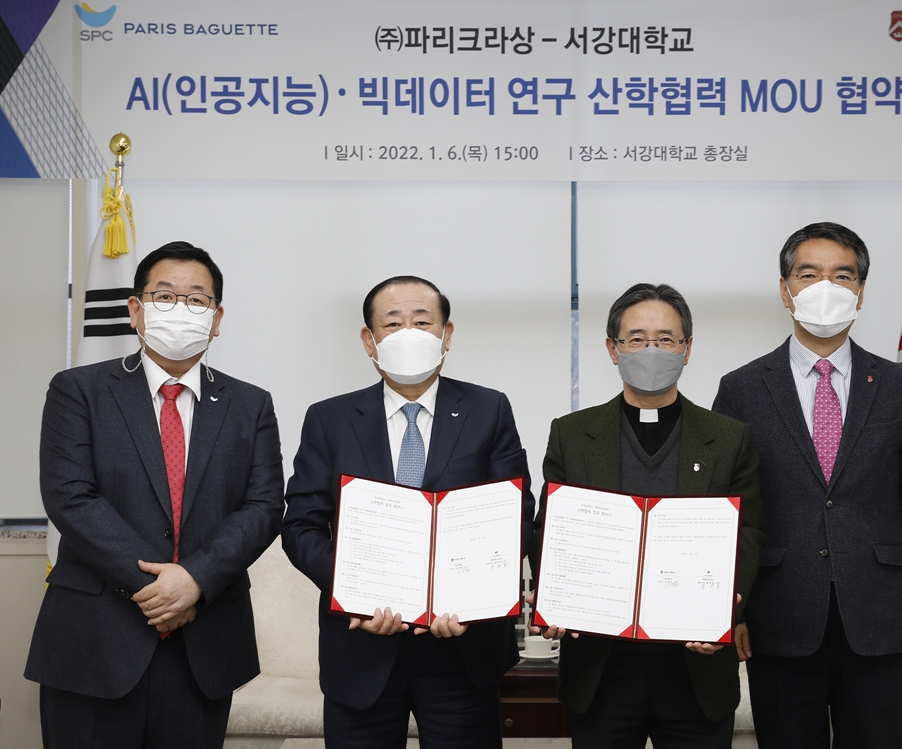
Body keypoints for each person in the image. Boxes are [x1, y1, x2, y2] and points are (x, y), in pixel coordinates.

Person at [25, 241, 285, 749]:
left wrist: (195, 580)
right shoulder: (78, 390)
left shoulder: (250, 404)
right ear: (135, 310)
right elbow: (70, 497)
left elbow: (263, 506)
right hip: (94, 637)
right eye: (164, 296)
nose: (180, 309)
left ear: (216, 319)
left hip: (203, 643)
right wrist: (163, 589)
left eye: (196, 300)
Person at [712, 222, 902, 749]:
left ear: (860, 292)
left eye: (842, 276)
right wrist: (732, 612)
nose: (826, 287)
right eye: (809, 274)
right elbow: (727, 514)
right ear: (785, 290)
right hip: (777, 617)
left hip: (881, 618)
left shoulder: (900, 386)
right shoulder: (742, 389)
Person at [282, 275, 534, 749]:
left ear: (447, 334)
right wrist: (354, 592)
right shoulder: (329, 419)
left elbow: (516, 515)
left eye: (422, 322)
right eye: (393, 324)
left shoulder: (489, 409)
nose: (409, 334)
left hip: (463, 647)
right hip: (361, 647)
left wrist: (472, 597)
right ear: (369, 340)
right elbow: (301, 526)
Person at [532, 283, 763, 749]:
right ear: (613, 349)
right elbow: (549, 531)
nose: (651, 351)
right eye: (636, 339)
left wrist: (725, 609)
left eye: (666, 339)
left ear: (687, 349)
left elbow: (750, 533)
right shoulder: (572, 434)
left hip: (696, 668)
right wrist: (554, 599)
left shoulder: (729, 437)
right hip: (601, 669)